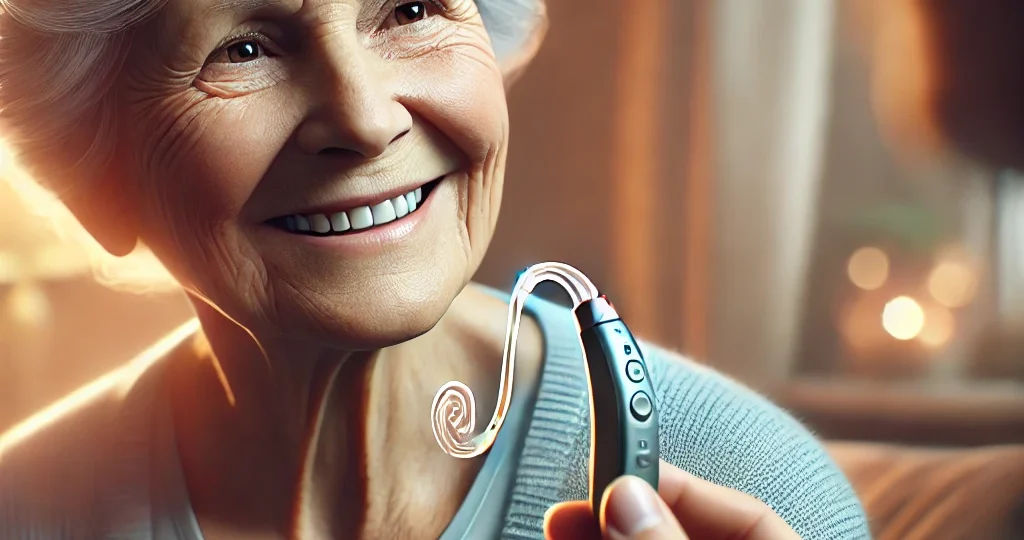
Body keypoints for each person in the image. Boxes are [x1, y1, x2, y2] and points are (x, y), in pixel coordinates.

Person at [0, 0, 870, 538]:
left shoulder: (752, 487)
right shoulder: (24, 510)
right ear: (96, 181)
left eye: (411, 8)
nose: (365, 118)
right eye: (245, 48)